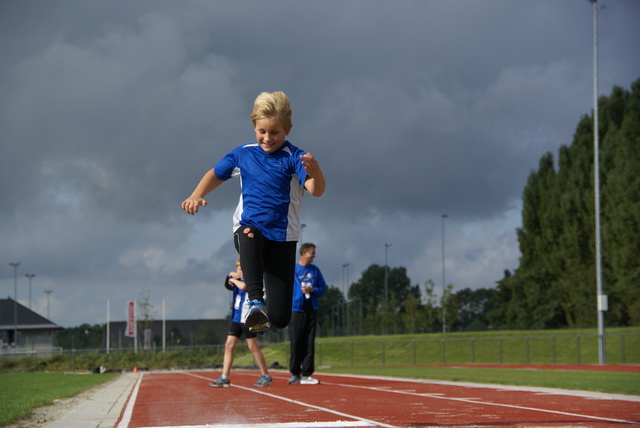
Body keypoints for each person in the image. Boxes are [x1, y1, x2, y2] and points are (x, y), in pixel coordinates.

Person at [182, 92, 326, 333]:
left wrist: (317, 172)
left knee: (280, 319)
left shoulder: (294, 158)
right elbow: (215, 174)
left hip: (283, 238)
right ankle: (255, 301)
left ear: (288, 129)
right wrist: (197, 195)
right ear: (254, 126)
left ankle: (264, 307)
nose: (267, 138)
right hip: (250, 231)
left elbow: (316, 190)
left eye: (275, 132)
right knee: (248, 232)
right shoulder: (244, 153)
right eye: (262, 131)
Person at [209, 258, 272, 388]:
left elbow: (243, 287)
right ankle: (225, 376)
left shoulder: (250, 281)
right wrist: (230, 276)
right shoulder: (236, 281)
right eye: (239, 269)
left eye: (243, 269)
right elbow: (227, 284)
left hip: (247, 320)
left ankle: (265, 375)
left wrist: (233, 279)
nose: (240, 272)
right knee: (229, 345)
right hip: (236, 319)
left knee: (252, 347)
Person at [288, 243, 326, 385]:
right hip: (296, 309)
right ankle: (295, 373)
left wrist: (313, 290)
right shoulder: (293, 270)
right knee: (296, 341)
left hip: (311, 309)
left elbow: (322, 288)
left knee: (309, 342)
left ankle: (307, 373)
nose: (314, 255)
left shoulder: (315, 271)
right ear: (304, 253)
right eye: (312, 252)